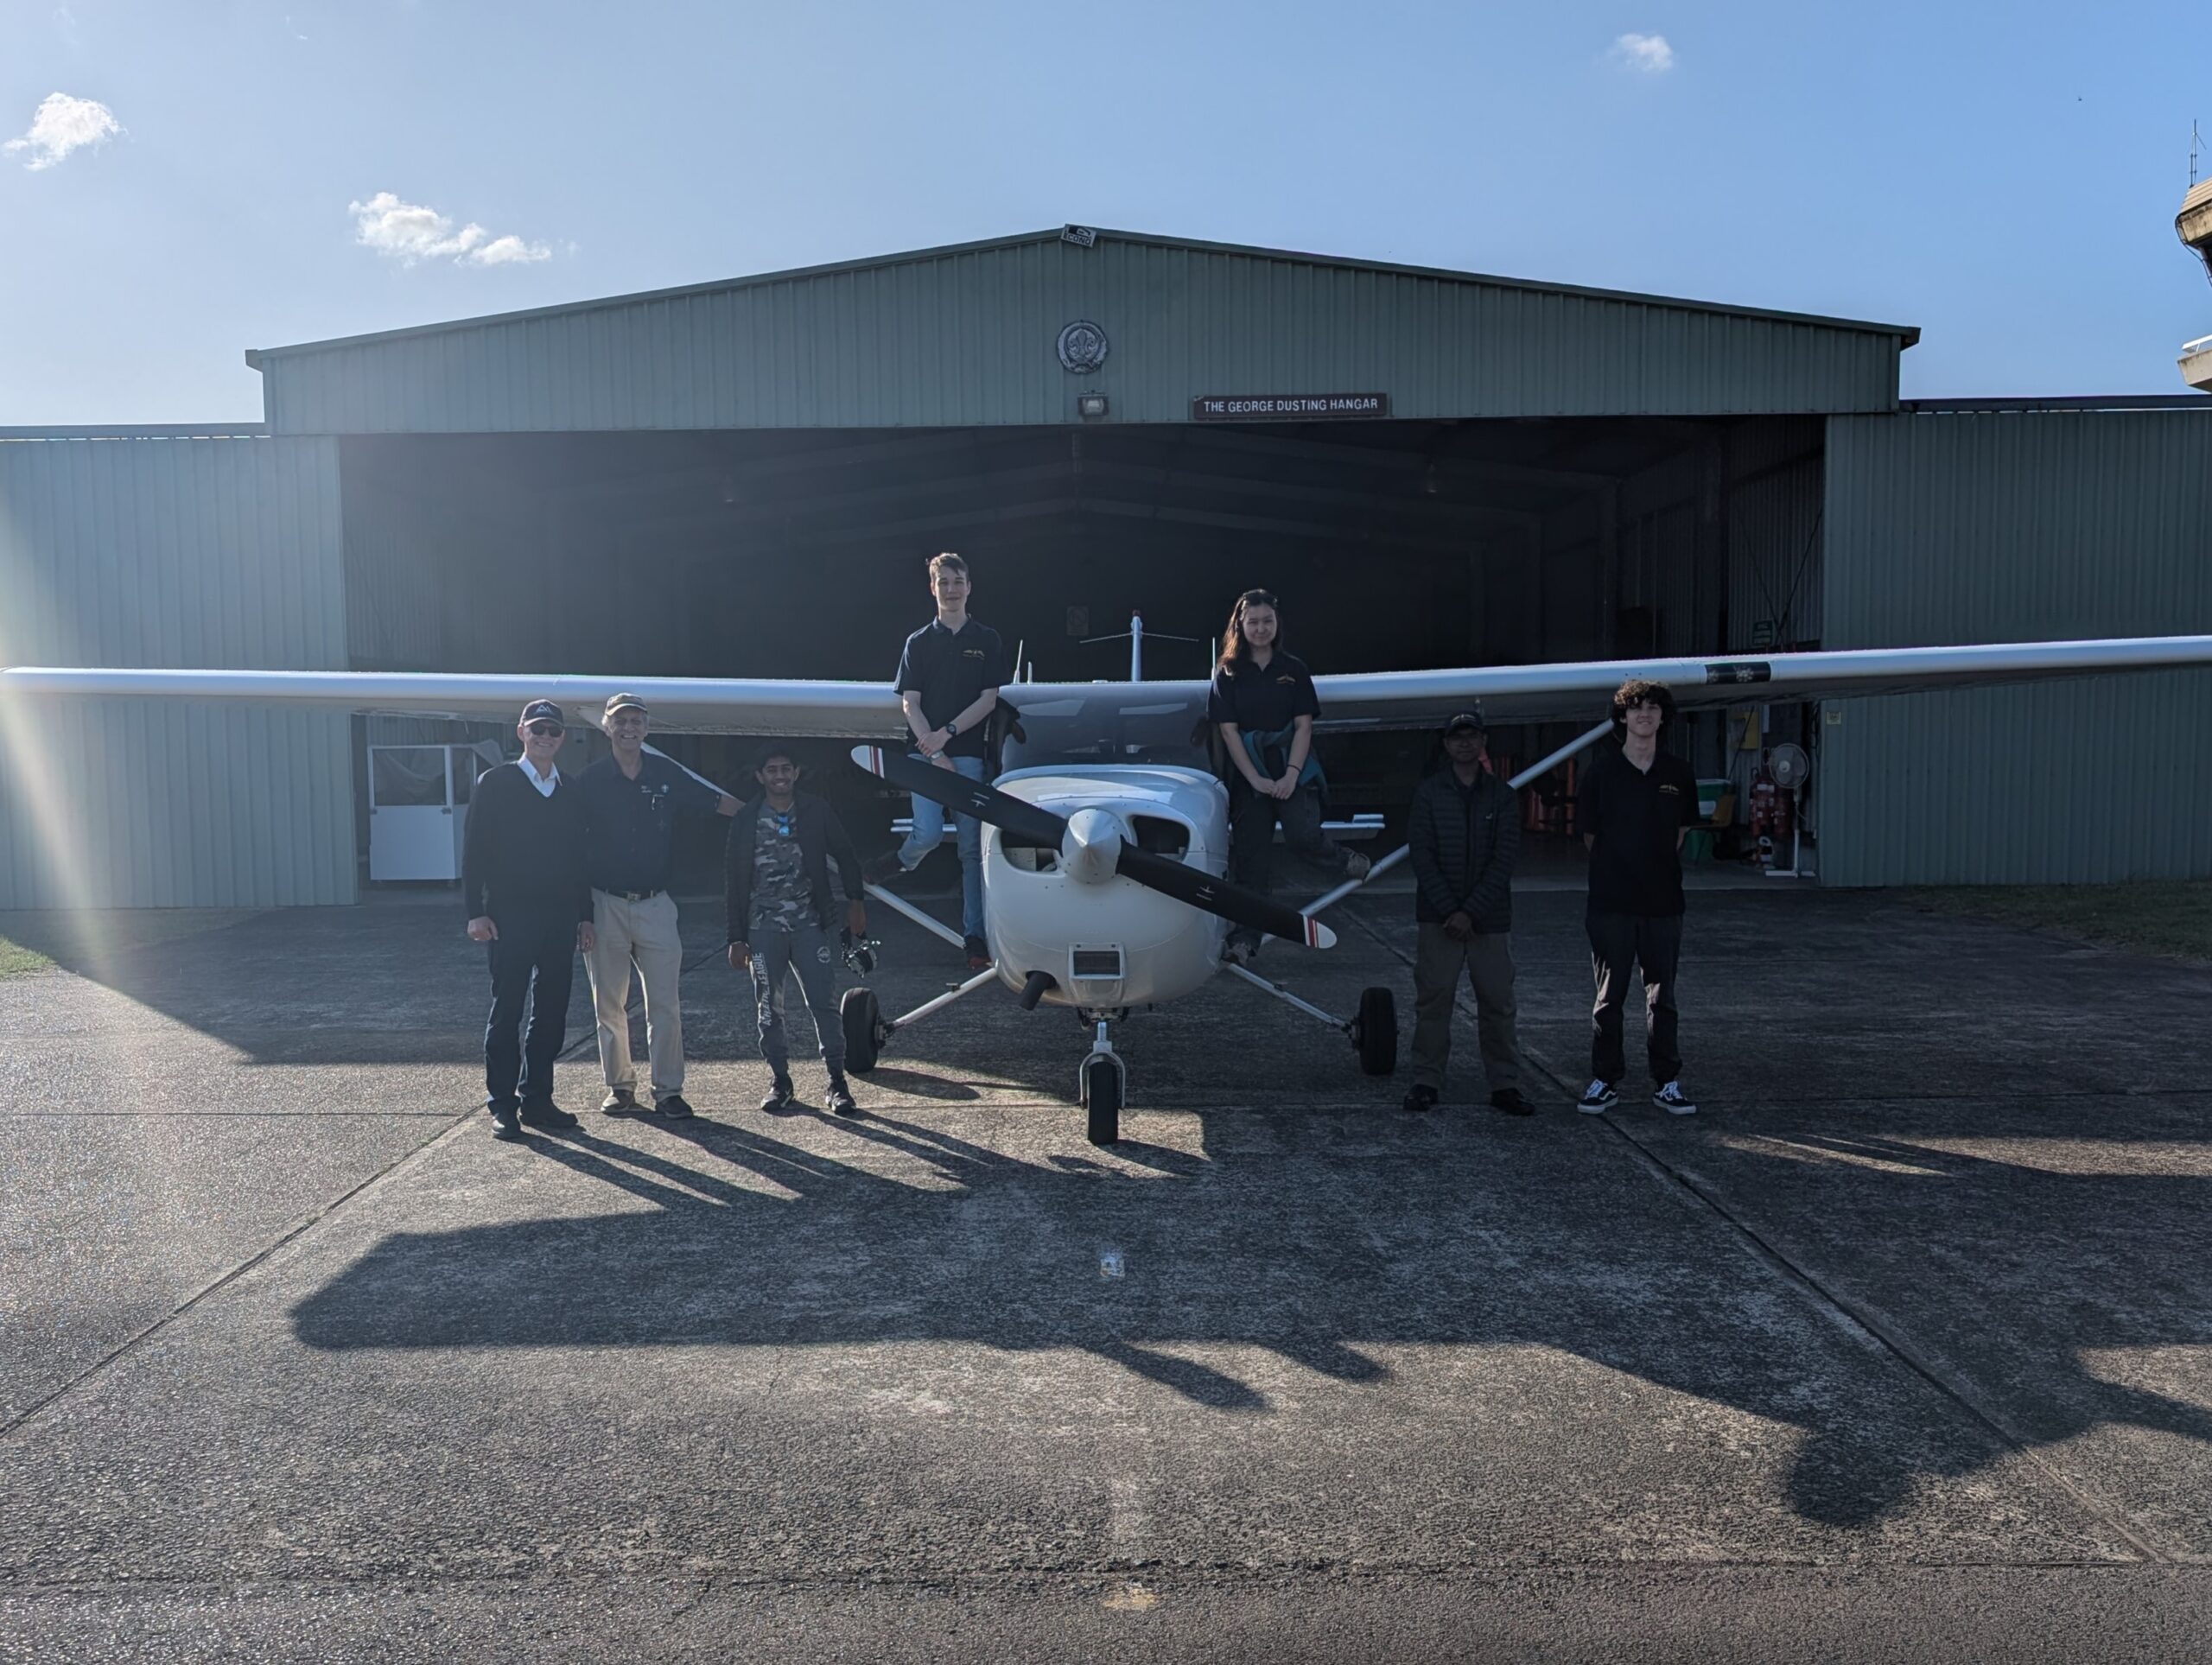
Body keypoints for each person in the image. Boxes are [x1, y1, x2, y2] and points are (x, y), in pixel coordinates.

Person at [578, 693, 739, 1119]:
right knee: (608, 1003)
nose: (628, 729)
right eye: (620, 722)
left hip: (656, 904)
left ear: (646, 729)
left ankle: (668, 1090)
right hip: (605, 902)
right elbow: (565, 841)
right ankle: (620, 1087)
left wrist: (767, 819)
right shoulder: (589, 780)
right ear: (607, 728)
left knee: (664, 1003)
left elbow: (714, 801)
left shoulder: (666, 773)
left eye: (636, 721)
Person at [1208, 588, 1369, 963]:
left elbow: (1303, 727)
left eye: (1267, 621)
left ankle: (1343, 858)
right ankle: (1245, 939)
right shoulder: (1227, 673)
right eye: (1253, 622)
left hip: (1290, 765)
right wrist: (1254, 780)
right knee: (1251, 859)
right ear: (1240, 625)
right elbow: (1229, 732)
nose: (1260, 629)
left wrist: (1292, 775)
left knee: (1302, 833)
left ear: (1277, 624)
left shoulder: (1293, 669)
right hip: (1249, 773)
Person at [865, 552, 1007, 971]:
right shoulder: (918, 643)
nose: (951, 588)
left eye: (958, 580)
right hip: (926, 757)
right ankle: (901, 861)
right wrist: (936, 751)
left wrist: (946, 737)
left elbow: (989, 699)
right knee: (926, 833)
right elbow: (910, 702)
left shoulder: (988, 639)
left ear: (969, 586)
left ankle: (974, 937)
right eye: (943, 582)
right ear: (933, 588)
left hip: (966, 757)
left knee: (970, 850)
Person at [462, 700, 594, 1141]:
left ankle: (538, 1098)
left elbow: (580, 860)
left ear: (562, 738)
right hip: (510, 915)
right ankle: (503, 1105)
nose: (545, 737)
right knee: (508, 1011)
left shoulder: (572, 790)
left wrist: (585, 917)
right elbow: (474, 851)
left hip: (558, 918)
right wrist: (475, 912)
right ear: (521, 731)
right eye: (537, 728)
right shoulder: (496, 782)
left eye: (553, 730)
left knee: (552, 1012)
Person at [1575, 678, 1699, 1115]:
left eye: (1652, 708)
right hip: (1610, 902)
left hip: (1664, 903)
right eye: (1635, 708)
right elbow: (1591, 835)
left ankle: (1667, 1081)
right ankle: (1604, 1080)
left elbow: (1680, 833)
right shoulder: (1601, 772)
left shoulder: (1678, 773)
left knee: (1662, 995)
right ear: (1622, 717)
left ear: (1663, 718)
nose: (1644, 715)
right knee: (1610, 997)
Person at [726, 743, 868, 1116]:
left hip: (809, 923)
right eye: (771, 770)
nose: (780, 776)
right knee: (769, 1009)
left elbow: (846, 852)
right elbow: (733, 880)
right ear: (760, 776)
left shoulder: (815, 810)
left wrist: (856, 900)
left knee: (823, 1002)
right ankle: (780, 1081)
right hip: (762, 927)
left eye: (786, 769)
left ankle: (837, 1081)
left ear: (796, 773)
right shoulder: (745, 819)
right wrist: (736, 937)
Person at [1403, 710, 1531, 1116]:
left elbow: (1505, 857)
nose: (1464, 743)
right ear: (1446, 744)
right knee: (1433, 1000)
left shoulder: (1503, 795)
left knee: (1497, 1002)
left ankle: (1505, 1084)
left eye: (1471, 736)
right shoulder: (1428, 794)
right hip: (1437, 918)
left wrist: (1470, 912)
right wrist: (1450, 909)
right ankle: (1425, 1081)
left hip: (1489, 920)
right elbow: (1422, 856)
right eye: (1457, 737)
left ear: (1483, 742)